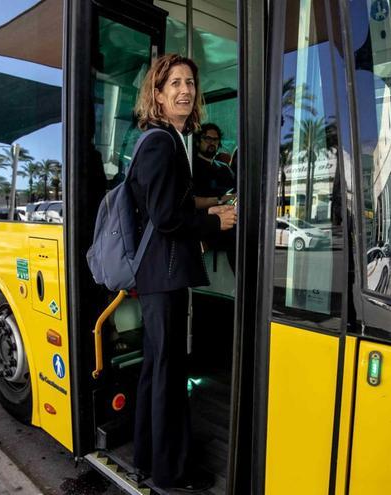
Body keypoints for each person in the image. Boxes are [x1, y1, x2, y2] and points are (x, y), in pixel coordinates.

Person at [127, 53, 236, 492]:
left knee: (157, 369)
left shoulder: (167, 139)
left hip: (159, 276)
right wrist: (217, 223)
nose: (185, 90)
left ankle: (146, 457)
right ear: (157, 93)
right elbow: (167, 217)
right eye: (174, 83)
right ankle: (171, 475)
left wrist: (210, 205)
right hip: (163, 275)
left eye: (189, 82)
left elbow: (171, 203)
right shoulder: (160, 142)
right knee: (169, 377)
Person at [192, 123, 236, 209]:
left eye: (216, 139)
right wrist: (221, 199)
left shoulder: (224, 168)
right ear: (197, 141)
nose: (212, 142)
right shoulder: (191, 167)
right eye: (208, 139)